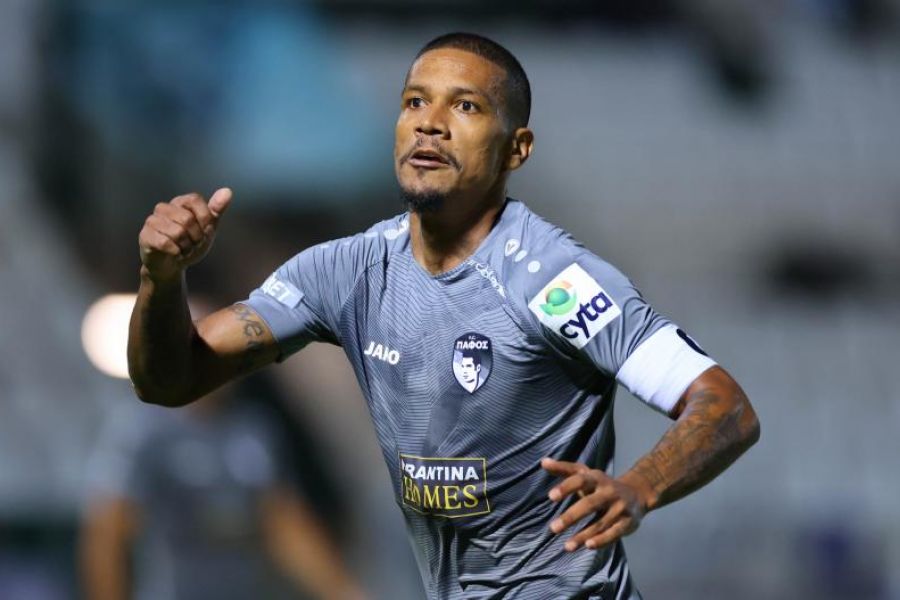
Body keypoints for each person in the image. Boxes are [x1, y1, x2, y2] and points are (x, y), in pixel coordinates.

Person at [128, 32, 760, 599]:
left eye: (466, 107)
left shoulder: (554, 281)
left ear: (516, 149)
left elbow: (726, 407)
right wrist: (162, 278)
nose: (430, 124)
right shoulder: (345, 272)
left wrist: (640, 486)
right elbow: (170, 381)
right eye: (414, 102)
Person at [80, 384, 366, 600]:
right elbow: (108, 534)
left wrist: (345, 593)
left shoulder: (253, 429)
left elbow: (285, 526)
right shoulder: (142, 429)